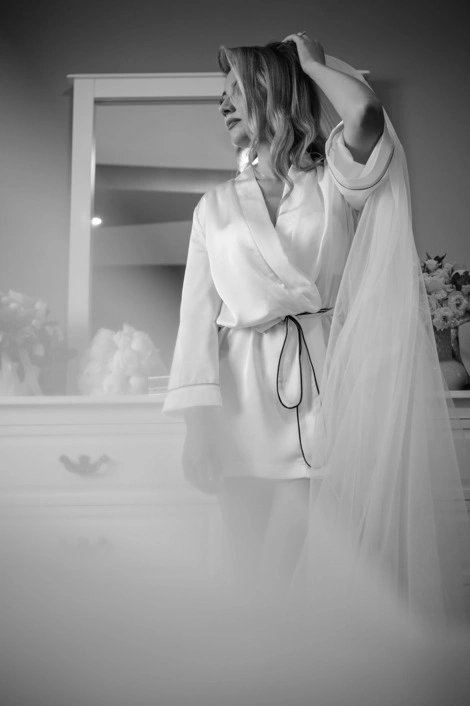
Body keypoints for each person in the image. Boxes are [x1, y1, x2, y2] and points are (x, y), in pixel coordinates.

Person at [163, 33, 470, 631]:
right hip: (242, 400)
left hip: (325, 388)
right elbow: (195, 323)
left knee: (295, 572)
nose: (223, 102)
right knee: (244, 573)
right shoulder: (214, 206)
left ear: (274, 91)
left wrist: (310, 65)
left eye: (237, 88)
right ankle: (251, 669)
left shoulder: (334, 181)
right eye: (221, 92)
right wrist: (197, 428)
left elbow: (365, 113)